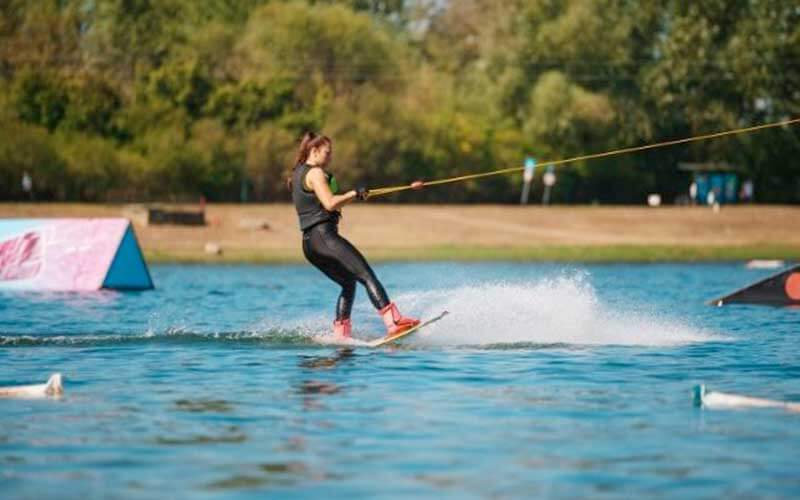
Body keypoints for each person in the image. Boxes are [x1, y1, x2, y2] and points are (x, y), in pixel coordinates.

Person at [289, 132, 420, 339]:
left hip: (309, 245)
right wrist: (353, 193)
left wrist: (355, 195)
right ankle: (394, 322)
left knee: (348, 283)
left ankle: (341, 333)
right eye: (327, 153)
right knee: (366, 275)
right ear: (313, 151)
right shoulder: (315, 173)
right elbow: (330, 203)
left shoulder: (297, 173)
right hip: (324, 237)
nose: (330, 157)